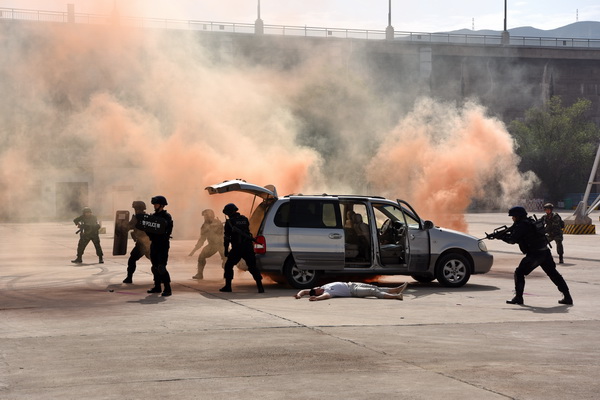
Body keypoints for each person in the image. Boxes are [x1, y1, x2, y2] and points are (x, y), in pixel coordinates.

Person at [501, 206, 573, 305]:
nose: (512, 218)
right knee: (553, 274)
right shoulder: (529, 222)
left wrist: (501, 237)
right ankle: (567, 297)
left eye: (513, 216)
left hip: (535, 254)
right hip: (545, 252)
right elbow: (514, 232)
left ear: (518, 216)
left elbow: (512, 239)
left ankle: (518, 298)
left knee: (519, 272)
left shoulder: (522, 225)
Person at [220, 203, 264, 293]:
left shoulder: (229, 222)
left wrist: (226, 250)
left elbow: (227, 238)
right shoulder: (244, 219)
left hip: (237, 248)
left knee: (228, 266)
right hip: (248, 246)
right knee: (252, 267)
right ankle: (260, 287)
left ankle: (228, 286)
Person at [146, 196, 174, 297]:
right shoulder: (153, 216)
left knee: (161, 267)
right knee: (154, 267)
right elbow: (149, 230)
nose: (154, 206)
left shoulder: (167, 216)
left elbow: (167, 229)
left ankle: (167, 288)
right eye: (154, 204)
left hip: (163, 244)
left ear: (162, 205)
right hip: (154, 243)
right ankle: (157, 286)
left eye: (156, 204)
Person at [189, 209, 225, 280]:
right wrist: (194, 250)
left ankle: (227, 274)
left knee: (226, 259)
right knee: (201, 257)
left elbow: (223, 233)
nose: (205, 217)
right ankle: (199, 274)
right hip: (212, 245)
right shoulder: (205, 226)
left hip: (221, 244)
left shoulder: (218, 223)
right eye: (204, 216)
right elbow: (202, 239)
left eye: (206, 216)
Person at [122, 201, 151, 284]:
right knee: (155, 261)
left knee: (132, 259)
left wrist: (122, 224)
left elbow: (127, 227)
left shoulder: (136, 218)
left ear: (136, 209)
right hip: (149, 243)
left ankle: (129, 278)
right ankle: (161, 278)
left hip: (141, 244)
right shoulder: (148, 217)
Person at [295, 281, 408, 301]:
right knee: (373, 292)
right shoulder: (328, 292)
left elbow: (304, 291)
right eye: (316, 289)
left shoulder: (323, 286)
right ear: (318, 292)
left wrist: (299, 295)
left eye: (316, 287)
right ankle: (396, 296)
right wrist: (316, 298)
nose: (317, 287)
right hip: (353, 291)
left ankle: (395, 290)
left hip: (351, 284)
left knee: (375, 287)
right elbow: (325, 297)